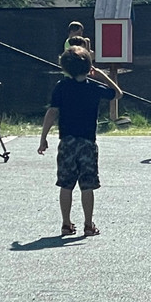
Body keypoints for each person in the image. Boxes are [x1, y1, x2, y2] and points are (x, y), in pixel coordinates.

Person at [37, 45, 123, 237]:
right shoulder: (94, 88)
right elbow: (117, 93)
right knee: (87, 185)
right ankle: (88, 224)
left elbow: (52, 112)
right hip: (87, 143)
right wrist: (100, 75)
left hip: (67, 142)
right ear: (89, 67)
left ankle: (66, 224)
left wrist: (43, 138)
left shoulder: (61, 87)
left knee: (66, 185)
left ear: (65, 68)